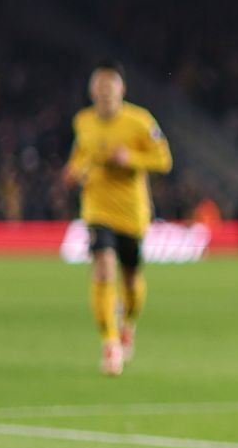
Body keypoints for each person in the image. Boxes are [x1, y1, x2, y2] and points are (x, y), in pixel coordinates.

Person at [62, 64, 172, 375]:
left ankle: (128, 322)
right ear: (92, 90)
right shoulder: (83, 122)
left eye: (111, 86)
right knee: (102, 268)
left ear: (121, 90)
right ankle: (110, 344)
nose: (106, 92)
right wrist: (74, 172)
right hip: (97, 210)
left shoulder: (140, 121)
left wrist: (132, 159)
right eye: (100, 86)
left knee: (132, 282)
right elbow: (79, 156)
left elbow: (164, 159)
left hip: (133, 214)